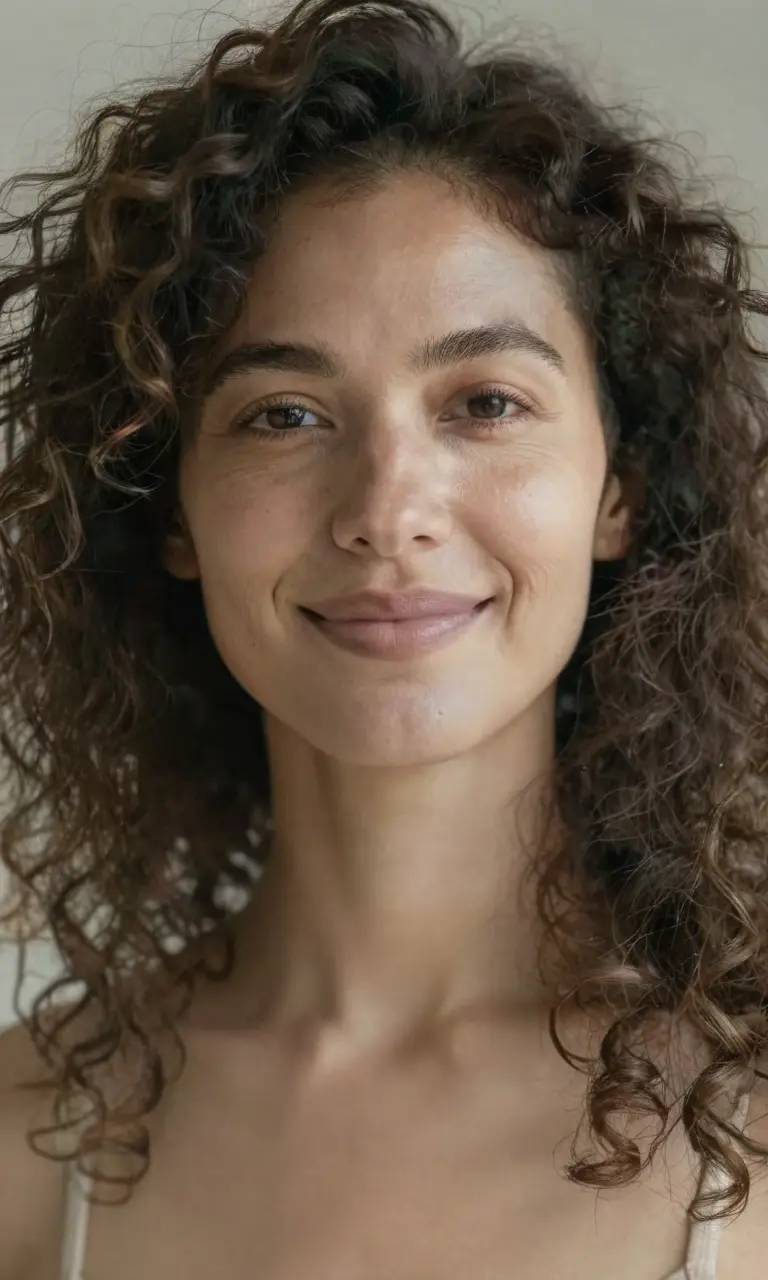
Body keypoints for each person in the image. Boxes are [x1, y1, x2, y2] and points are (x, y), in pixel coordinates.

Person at [0, 0, 767, 1275]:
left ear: (619, 487)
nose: (386, 509)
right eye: (285, 413)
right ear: (170, 505)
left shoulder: (749, 1131)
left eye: (486, 401)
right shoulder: (25, 1144)